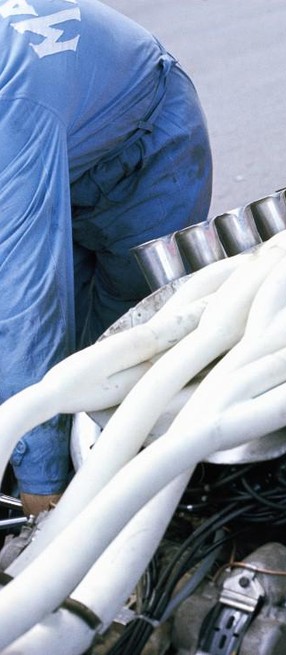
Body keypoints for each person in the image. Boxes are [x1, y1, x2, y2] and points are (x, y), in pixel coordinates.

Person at [1, 0, 213, 516]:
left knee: (114, 365)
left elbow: (26, 295)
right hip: (64, 141)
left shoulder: (12, 109)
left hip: (148, 146)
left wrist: (43, 486)